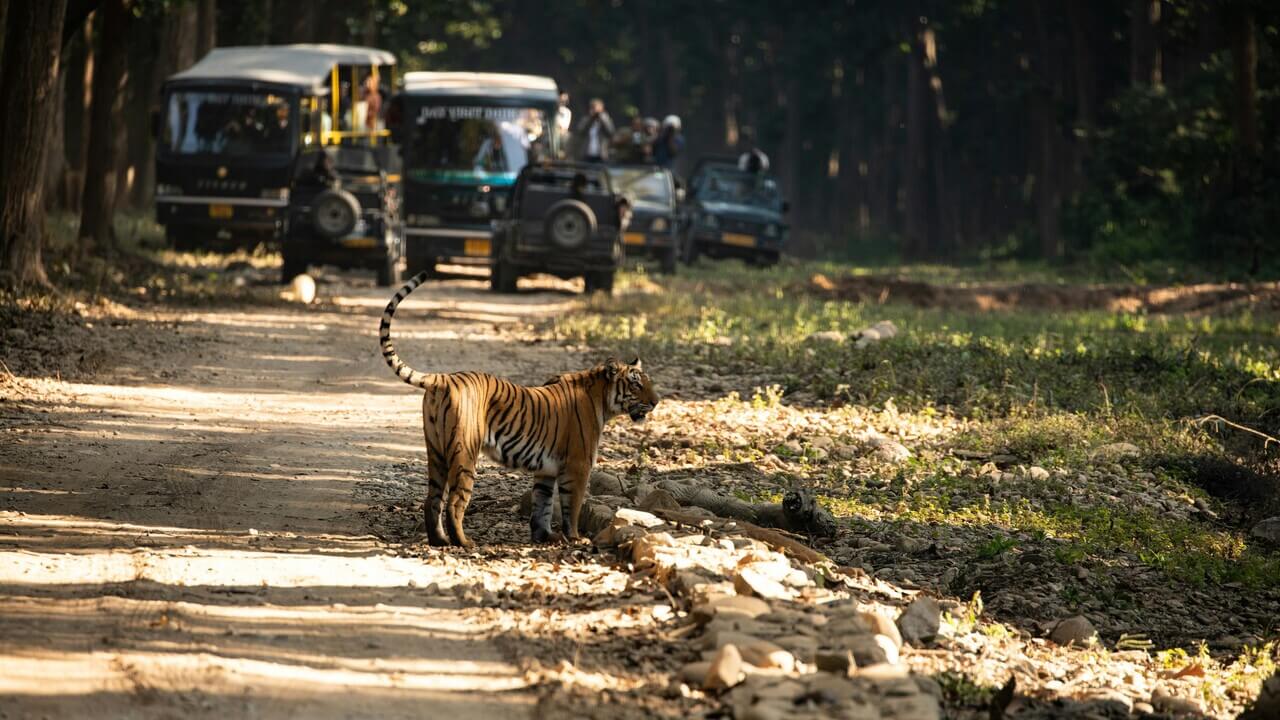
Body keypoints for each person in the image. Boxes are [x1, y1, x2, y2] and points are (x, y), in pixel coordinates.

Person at [575, 98, 615, 163]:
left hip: (601, 155)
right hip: (586, 155)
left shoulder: (606, 120)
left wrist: (602, 119)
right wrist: (591, 119)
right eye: (592, 108)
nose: (594, 110)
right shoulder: (585, 120)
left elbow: (610, 132)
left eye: (595, 108)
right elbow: (580, 132)